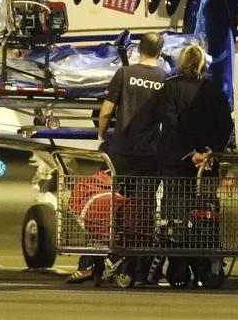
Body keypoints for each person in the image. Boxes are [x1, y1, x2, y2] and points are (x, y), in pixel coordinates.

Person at [66, 32, 166, 284]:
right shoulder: (165, 79)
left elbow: (106, 110)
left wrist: (102, 133)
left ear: (138, 50)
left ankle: (89, 263)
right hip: (149, 155)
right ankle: (135, 268)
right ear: (161, 52)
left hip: (120, 153)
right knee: (142, 214)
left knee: (103, 207)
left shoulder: (124, 73)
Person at [156, 45, 233, 178]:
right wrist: (212, 152)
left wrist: (191, 153)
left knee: (175, 198)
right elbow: (226, 125)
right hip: (207, 164)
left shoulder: (170, 87)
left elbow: (170, 126)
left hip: (176, 164)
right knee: (206, 198)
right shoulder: (215, 91)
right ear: (203, 64)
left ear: (182, 62)